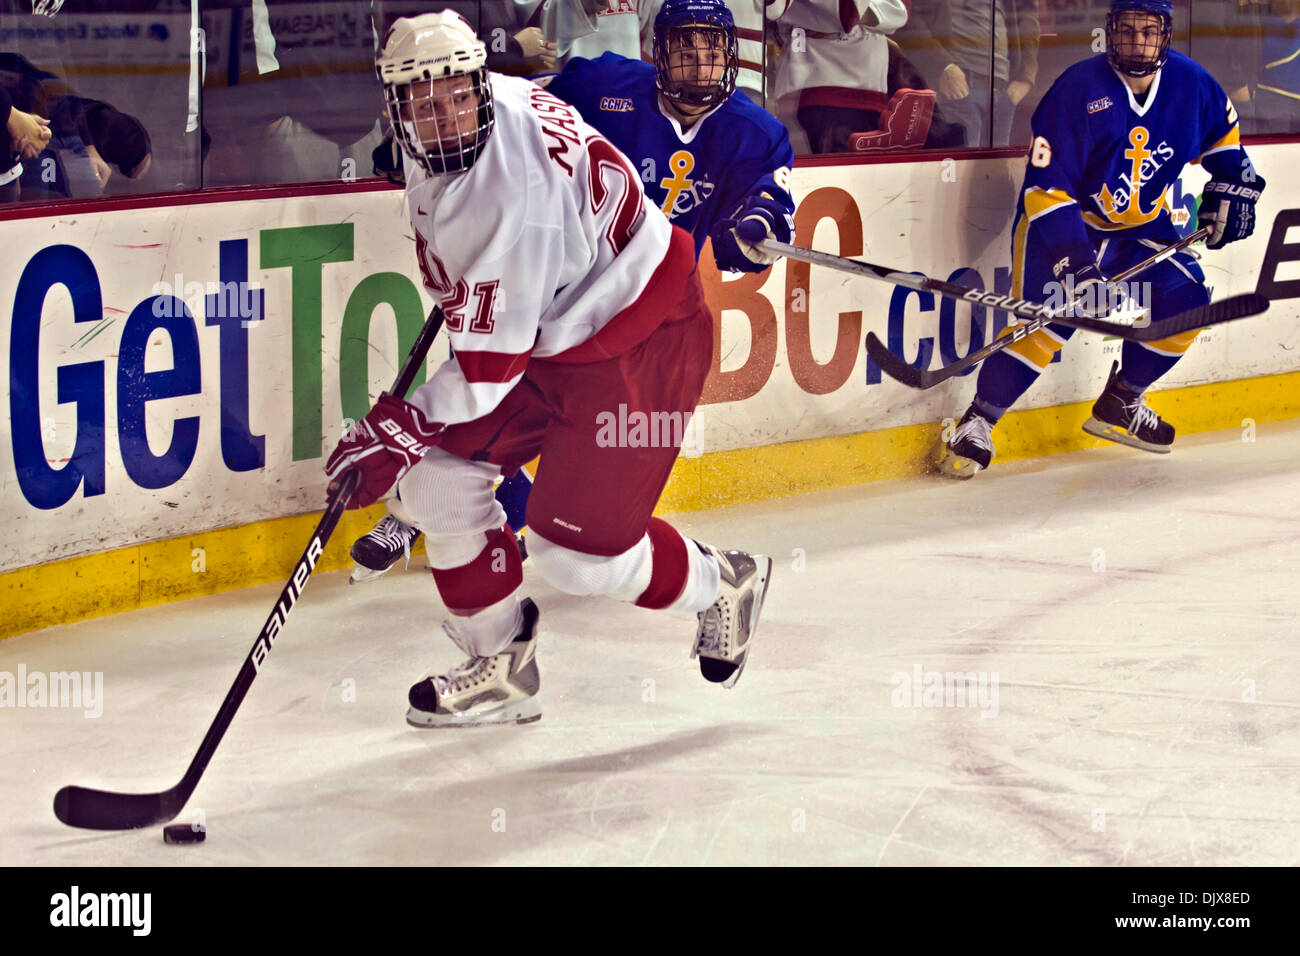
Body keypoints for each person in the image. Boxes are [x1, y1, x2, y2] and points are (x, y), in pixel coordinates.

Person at [325, 10, 774, 727]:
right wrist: (413, 439)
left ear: (477, 85)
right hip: (555, 325)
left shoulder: (508, 203)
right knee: (438, 478)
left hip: (637, 340)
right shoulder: (490, 97)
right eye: (423, 101)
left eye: (455, 95)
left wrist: (399, 424)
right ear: (397, 107)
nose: (444, 114)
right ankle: (501, 662)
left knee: (574, 558)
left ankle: (722, 582)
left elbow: (487, 370)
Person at [937, 0, 1265, 479]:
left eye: (1149, 31)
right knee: (1051, 321)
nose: (1137, 41)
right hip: (1068, 225)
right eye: (1128, 30)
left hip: (1142, 230)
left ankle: (1122, 401)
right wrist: (1078, 267)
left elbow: (1225, 141)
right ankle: (978, 422)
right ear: (1110, 31)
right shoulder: (1076, 89)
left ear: (1166, 34)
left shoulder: (1192, 84)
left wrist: (1232, 189)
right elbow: (1045, 192)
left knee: (1190, 305)